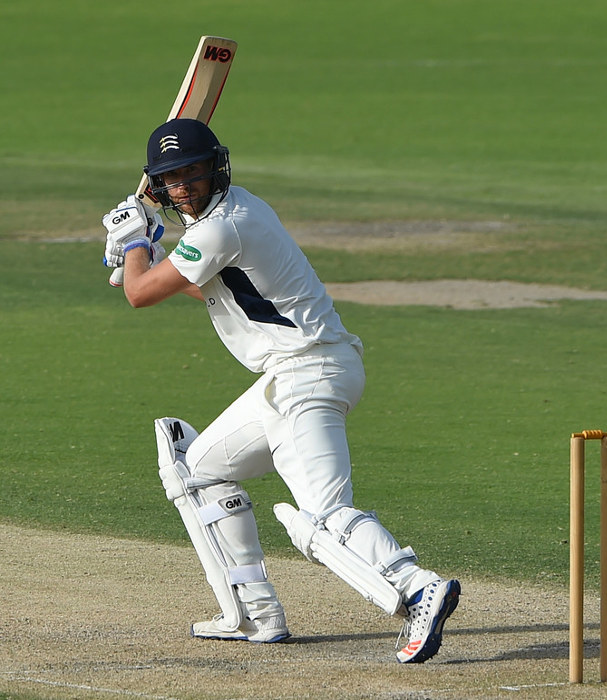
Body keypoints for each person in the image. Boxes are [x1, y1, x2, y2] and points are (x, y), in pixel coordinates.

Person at [102, 118, 460, 663]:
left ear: (215, 168)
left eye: (193, 172)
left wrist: (134, 247)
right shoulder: (237, 210)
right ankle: (255, 614)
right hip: (299, 374)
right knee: (198, 470)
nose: (184, 186)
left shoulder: (220, 229)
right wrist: (147, 261)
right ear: (160, 184)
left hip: (306, 374)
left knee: (323, 516)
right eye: (172, 178)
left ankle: (418, 587)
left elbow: (139, 296)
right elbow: (217, 291)